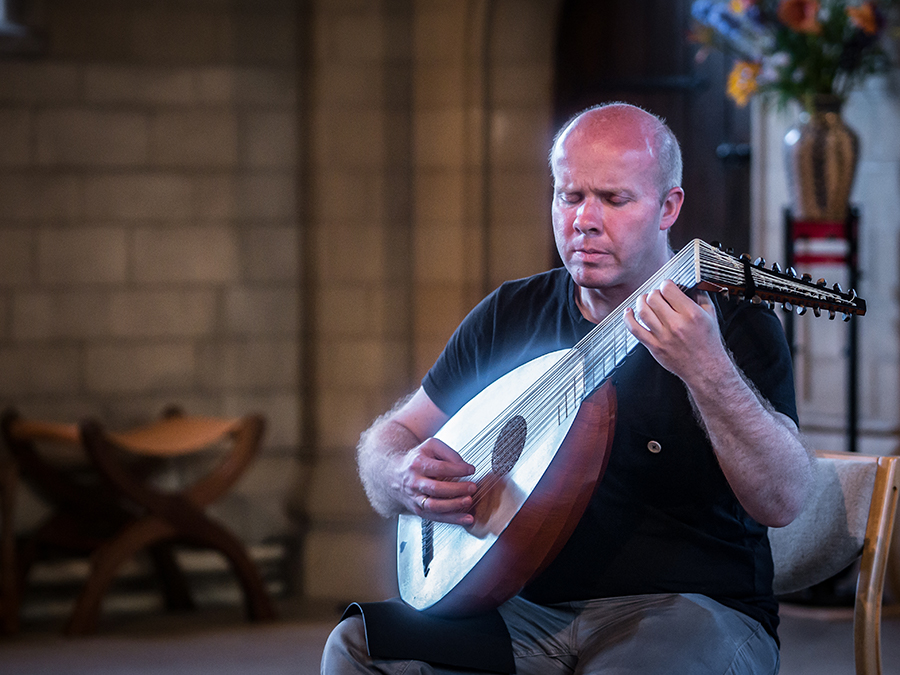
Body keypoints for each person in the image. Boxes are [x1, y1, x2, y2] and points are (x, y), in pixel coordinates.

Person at [321, 102, 813, 674]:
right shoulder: (510, 313)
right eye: (569, 196)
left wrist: (707, 369)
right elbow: (396, 432)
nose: (584, 219)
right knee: (356, 647)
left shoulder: (731, 324)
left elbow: (784, 500)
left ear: (667, 207)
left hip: (689, 609)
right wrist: (399, 473)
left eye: (614, 199)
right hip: (522, 610)